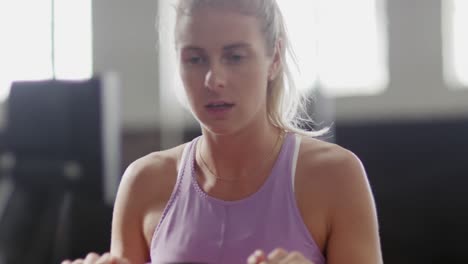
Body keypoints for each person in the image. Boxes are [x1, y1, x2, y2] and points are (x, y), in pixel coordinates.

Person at [62, 0, 382, 263]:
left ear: (275, 58)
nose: (213, 79)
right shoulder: (144, 182)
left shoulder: (335, 176)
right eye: (195, 59)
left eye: (235, 56)